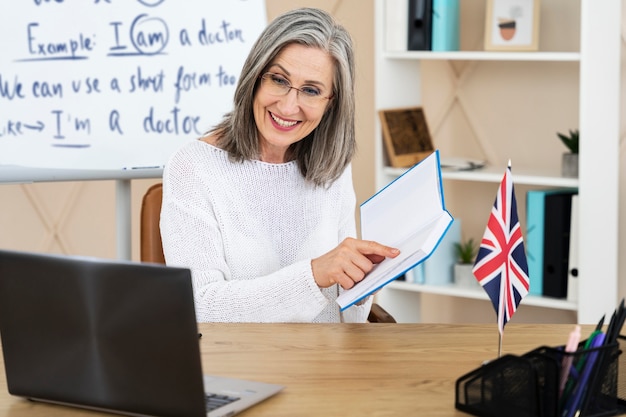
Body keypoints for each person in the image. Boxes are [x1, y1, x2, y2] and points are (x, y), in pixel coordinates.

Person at [160, 7, 399, 323]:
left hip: (325, 365)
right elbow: (201, 308)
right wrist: (313, 276)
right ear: (255, 79)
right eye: (279, 80)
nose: (288, 106)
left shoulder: (333, 166)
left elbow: (350, 322)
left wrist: (361, 282)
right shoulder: (194, 167)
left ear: (332, 103)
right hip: (239, 367)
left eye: (311, 90)